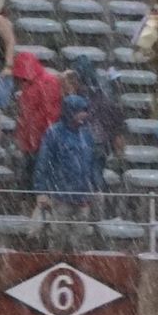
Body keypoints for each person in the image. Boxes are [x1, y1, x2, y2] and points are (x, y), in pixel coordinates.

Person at [33, 94, 99, 245]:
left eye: (85, 111)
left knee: (80, 239)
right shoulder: (53, 133)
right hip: (60, 197)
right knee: (58, 237)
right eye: (80, 111)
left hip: (82, 196)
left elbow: (92, 163)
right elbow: (43, 163)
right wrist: (41, 191)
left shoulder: (86, 135)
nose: (84, 114)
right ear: (70, 112)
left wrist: (96, 186)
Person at [12, 51, 61, 183]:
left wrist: (39, 136)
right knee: (29, 176)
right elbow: (26, 113)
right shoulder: (30, 84)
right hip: (32, 141)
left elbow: (50, 113)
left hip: (42, 140)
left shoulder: (47, 82)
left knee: (38, 176)